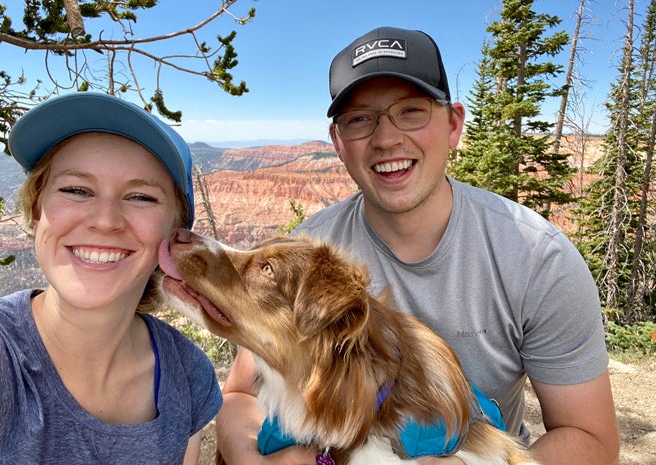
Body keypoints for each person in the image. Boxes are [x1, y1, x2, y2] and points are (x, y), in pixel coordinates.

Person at [215, 27, 620, 465]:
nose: (387, 138)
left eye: (411, 111)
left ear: (453, 125)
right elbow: (240, 391)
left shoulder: (537, 258)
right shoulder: (310, 256)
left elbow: (591, 438)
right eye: (360, 118)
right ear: (338, 142)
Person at [0, 92, 222, 465]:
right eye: (76, 190)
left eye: (140, 197)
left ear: (173, 235)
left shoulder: (187, 374)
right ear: (37, 211)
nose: (104, 220)